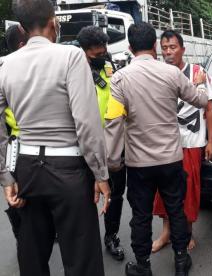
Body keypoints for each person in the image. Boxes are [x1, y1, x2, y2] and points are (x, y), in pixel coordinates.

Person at [0, 1, 111, 275]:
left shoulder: (4, 65)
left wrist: (6, 177)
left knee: (32, 255)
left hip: (26, 169)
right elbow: (86, 123)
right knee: (81, 257)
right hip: (69, 171)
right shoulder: (70, 57)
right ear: (53, 22)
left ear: (22, 29)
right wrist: (101, 174)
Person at [104, 22, 208, 276]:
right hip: (171, 160)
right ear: (154, 46)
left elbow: (113, 123)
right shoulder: (172, 74)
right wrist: (201, 83)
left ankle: (142, 266)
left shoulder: (120, 78)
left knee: (140, 215)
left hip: (139, 164)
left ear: (130, 48)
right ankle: (181, 261)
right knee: (176, 209)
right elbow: (201, 100)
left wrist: (113, 163)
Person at [152, 30, 212, 253]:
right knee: (163, 189)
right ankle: (166, 233)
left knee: (188, 189)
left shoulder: (197, 72)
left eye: (173, 47)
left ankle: (187, 232)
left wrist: (211, 141)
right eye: (165, 48)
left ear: (183, 49)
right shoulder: (159, 73)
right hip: (165, 143)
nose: (168, 52)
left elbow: (209, 108)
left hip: (191, 141)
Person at [77, 25, 126, 261]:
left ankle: (111, 236)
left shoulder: (109, 65)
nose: (103, 54)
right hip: (84, 146)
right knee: (85, 196)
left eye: (105, 49)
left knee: (115, 195)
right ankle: (82, 240)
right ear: (85, 51)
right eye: (97, 53)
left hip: (113, 144)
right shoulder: (75, 72)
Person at [2, 24, 28, 241]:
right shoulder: (20, 73)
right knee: (20, 199)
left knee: (18, 196)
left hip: (13, 148)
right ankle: (24, 239)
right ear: (22, 45)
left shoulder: (4, 69)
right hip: (20, 146)